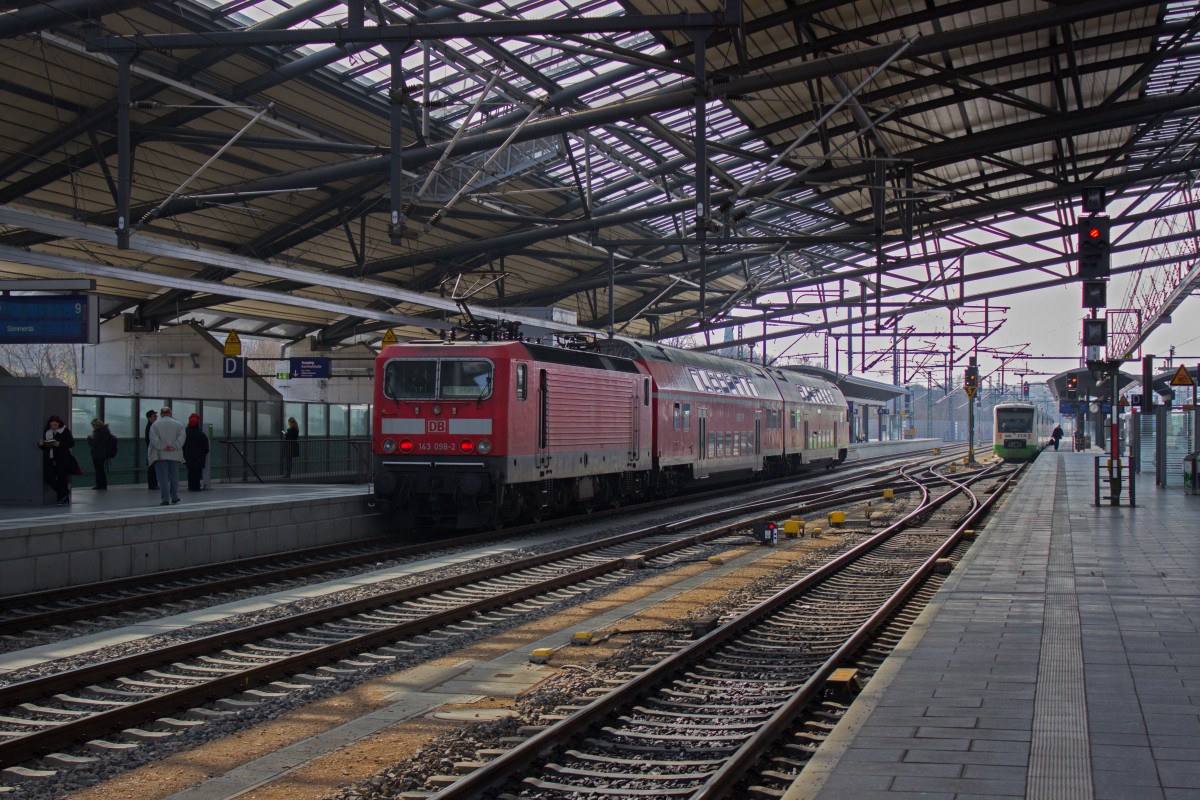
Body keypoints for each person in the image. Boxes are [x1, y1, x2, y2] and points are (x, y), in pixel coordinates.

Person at [148, 406, 185, 505]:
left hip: (160, 455)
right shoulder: (179, 424)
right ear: (170, 413)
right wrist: (173, 446)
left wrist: (164, 446)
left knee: (163, 478)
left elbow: (153, 440)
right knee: (174, 477)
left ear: (161, 414)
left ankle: (165, 499)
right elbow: (182, 438)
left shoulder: (155, 425)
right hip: (175, 454)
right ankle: (175, 496)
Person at [38, 415, 75, 505]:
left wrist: (59, 444)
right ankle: (64, 494)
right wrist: (41, 444)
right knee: (48, 477)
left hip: (62, 459)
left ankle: (62, 498)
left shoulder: (65, 431)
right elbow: (46, 448)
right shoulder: (48, 433)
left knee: (62, 478)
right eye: (51, 425)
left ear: (59, 424)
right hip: (51, 458)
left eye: (55, 425)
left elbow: (71, 443)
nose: (53, 427)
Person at [183, 413, 209, 492]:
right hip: (199, 457)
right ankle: (196, 486)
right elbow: (206, 447)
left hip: (188, 456)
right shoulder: (201, 434)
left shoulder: (185, 433)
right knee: (197, 472)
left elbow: (182, 445)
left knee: (190, 472)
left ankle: (190, 486)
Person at [86, 418, 114, 490]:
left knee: (98, 470)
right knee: (101, 470)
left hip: (97, 454)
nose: (92, 427)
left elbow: (94, 444)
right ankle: (103, 484)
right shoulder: (105, 431)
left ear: (96, 425)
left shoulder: (98, 432)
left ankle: (99, 485)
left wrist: (89, 439)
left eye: (93, 425)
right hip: (103, 453)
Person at [144, 409, 159, 490]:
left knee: (153, 468)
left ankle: (153, 483)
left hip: (152, 450)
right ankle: (153, 484)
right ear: (149, 418)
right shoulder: (151, 427)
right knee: (152, 468)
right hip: (152, 450)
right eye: (154, 416)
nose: (156, 417)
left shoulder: (152, 426)